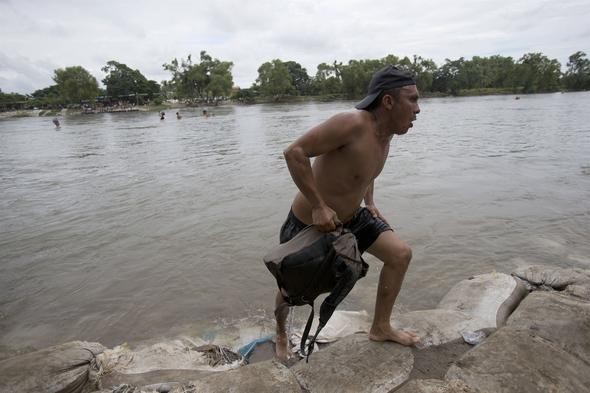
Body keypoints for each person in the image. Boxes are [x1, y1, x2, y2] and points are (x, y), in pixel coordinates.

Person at [275, 65, 421, 361]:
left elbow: (364, 171)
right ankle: (279, 333)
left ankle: (380, 327)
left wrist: (370, 202)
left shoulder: (387, 134)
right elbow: (294, 153)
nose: (418, 109)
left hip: (352, 217)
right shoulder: (351, 124)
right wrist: (318, 205)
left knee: (400, 255)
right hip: (309, 224)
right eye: (413, 100)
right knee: (293, 292)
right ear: (388, 102)